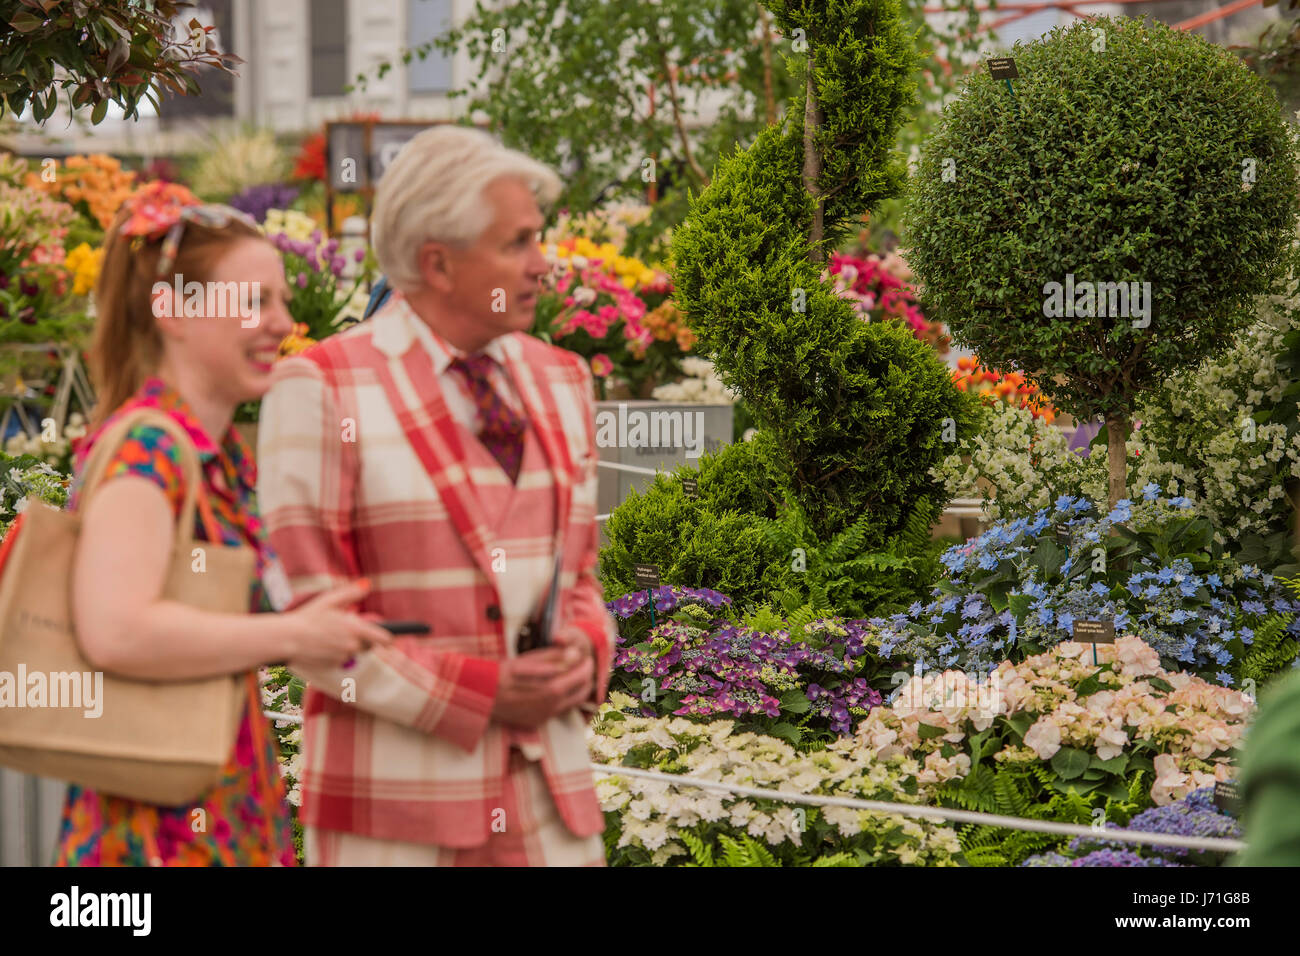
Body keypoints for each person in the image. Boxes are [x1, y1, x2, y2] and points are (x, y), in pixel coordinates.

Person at [257, 125, 616, 866]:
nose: (542, 265)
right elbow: (310, 619)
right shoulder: (322, 388)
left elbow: (578, 578)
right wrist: (481, 693)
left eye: (537, 239)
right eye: (516, 243)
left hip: (550, 808)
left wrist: (585, 648)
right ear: (437, 262)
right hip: (394, 817)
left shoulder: (563, 380)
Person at [57, 181, 391, 867]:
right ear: (174, 312)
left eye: (280, 299)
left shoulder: (205, 453)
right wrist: (294, 632)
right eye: (254, 301)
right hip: (157, 837)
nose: (281, 322)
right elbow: (117, 630)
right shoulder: (151, 449)